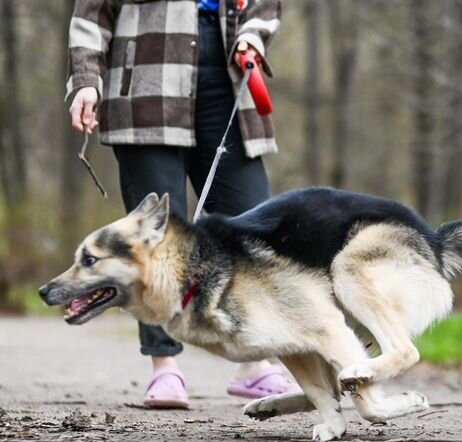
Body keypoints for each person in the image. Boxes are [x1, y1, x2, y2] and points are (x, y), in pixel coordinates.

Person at [66, 0, 299, 408]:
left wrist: (253, 34)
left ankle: (256, 362)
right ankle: (164, 368)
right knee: (152, 239)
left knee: (257, 227)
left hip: (227, 78)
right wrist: (86, 80)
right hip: (145, 82)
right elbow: (91, 12)